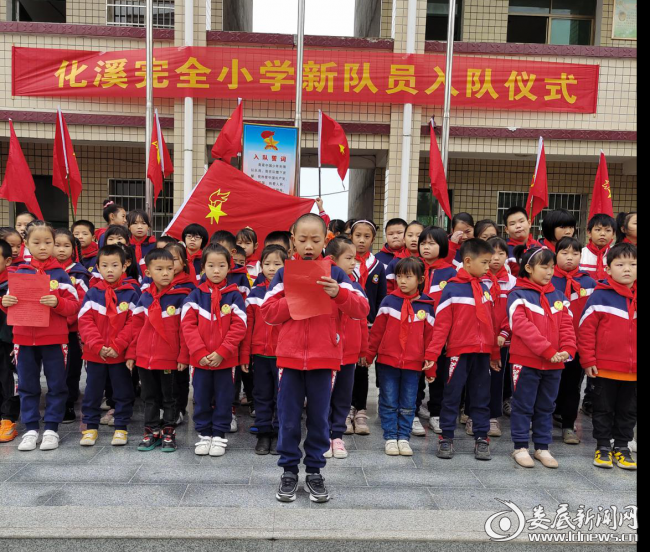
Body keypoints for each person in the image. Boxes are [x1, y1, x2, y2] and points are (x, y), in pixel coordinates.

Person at [261, 213, 369, 504]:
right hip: (290, 359)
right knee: (288, 419)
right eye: (303, 239)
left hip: (324, 359)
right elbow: (268, 312)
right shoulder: (284, 274)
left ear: (326, 240)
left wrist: (338, 295)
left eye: (316, 239)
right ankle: (288, 471)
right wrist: (294, 297)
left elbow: (362, 308)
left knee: (320, 419)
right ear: (292, 239)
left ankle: (314, 472)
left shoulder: (336, 274)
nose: (309, 245)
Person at [1, 221, 80, 452]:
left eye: (49, 242)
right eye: (36, 242)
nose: (43, 247)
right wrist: (5, 303)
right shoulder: (17, 272)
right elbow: (8, 302)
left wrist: (57, 302)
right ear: (26, 244)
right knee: (27, 385)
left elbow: (74, 305)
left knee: (57, 384)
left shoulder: (61, 275)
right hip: (24, 339)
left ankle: (51, 429)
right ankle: (31, 428)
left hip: (54, 339)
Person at [425, 239, 500, 462]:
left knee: (480, 397)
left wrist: (494, 353)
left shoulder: (485, 289)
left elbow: (492, 324)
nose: (489, 266)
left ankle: (481, 437)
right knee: (452, 396)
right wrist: (431, 356)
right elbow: (440, 327)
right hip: (458, 353)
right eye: (485, 262)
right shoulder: (452, 289)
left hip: (482, 353)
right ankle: (446, 437)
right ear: (468, 261)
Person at [507, 246, 576, 469]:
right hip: (526, 361)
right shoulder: (518, 295)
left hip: (555, 363)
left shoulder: (559, 297)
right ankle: (520, 446)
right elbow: (521, 327)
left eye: (552, 267)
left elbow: (567, 326)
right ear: (528, 268)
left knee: (546, 405)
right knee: (523, 405)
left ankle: (542, 446)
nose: (549, 272)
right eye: (544, 267)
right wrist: (548, 350)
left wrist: (567, 349)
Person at [181, 244, 247, 457]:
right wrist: (200, 353)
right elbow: (187, 326)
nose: (216, 270)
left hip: (225, 361)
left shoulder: (235, 296)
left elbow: (239, 326)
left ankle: (219, 433)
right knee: (200, 395)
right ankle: (204, 434)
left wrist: (222, 352)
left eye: (221, 265)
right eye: (211, 265)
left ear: (229, 267)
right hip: (200, 361)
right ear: (203, 268)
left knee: (224, 397)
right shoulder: (194, 296)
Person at [367, 257, 435, 456]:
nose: (402, 281)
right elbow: (377, 332)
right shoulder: (389, 301)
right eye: (399, 276)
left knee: (408, 402)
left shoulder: (427, 306)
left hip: (413, 365)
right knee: (388, 400)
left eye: (408, 276)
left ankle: (403, 437)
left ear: (420, 279)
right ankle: (390, 437)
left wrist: (431, 367)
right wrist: (369, 354)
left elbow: (431, 339)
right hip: (388, 362)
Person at [579, 243, 637, 470]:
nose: (627, 269)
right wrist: (588, 361)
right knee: (603, 409)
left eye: (633, 264)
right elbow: (585, 331)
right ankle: (603, 446)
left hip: (633, 372)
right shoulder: (599, 296)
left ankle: (622, 447)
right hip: (604, 368)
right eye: (620, 264)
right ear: (608, 268)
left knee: (629, 411)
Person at [126, 249, 191, 452]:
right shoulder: (144, 298)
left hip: (169, 359)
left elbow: (185, 330)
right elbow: (135, 327)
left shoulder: (181, 297)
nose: (165, 273)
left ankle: (169, 432)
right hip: (145, 360)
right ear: (148, 273)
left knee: (169, 397)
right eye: (159, 269)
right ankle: (151, 431)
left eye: (170, 269)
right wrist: (131, 353)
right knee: (149, 397)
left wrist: (183, 355)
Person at [77, 245, 139, 446]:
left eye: (115, 265)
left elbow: (134, 323)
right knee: (93, 391)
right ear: (97, 267)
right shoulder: (93, 293)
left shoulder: (131, 293)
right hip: (96, 354)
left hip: (119, 355)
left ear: (124, 266)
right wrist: (97, 345)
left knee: (122, 390)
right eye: (105, 265)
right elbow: (85, 321)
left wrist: (118, 345)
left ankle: (121, 427)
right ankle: (91, 427)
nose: (110, 270)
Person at [466, 236, 517, 438]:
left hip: (502, 340)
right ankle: (471, 414)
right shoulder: (477, 279)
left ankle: (492, 416)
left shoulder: (512, 281)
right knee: (476, 378)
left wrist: (504, 333)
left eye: (501, 253)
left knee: (497, 377)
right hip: (478, 338)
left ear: (507, 256)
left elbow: (513, 311)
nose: (496, 258)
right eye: (491, 254)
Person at [241, 245, 287, 455]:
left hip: (283, 355)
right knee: (261, 395)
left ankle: (278, 432)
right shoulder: (255, 293)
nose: (271, 268)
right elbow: (248, 325)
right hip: (259, 354)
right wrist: (246, 353)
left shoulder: (290, 292)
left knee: (282, 395)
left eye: (277, 264)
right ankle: (263, 432)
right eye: (267, 264)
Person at [324, 237, 367, 459]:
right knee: (322, 397)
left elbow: (362, 318)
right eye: (348, 258)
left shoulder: (354, 286)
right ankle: (322, 435)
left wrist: (363, 350)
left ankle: (337, 436)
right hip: (325, 353)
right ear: (331, 260)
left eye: (355, 259)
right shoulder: (321, 284)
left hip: (348, 353)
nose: (353, 263)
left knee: (343, 396)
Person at [550, 237, 597, 444]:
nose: (570, 257)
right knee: (550, 384)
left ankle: (568, 425)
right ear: (555, 254)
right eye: (564, 253)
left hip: (576, 345)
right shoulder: (548, 278)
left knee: (572, 385)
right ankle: (545, 418)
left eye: (575, 254)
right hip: (551, 344)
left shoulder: (588, 282)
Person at [414, 226, 456, 436]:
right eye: (423, 243)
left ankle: (436, 413)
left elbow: (454, 305)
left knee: (438, 375)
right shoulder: (413, 267)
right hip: (415, 330)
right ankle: (412, 412)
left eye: (432, 243)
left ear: (443, 246)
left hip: (439, 334)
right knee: (415, 373)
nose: (426, 247)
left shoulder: (451, 272)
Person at [348, 219, 386, 436]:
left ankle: (360, 409)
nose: (361, 240)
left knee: (362, 368)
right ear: (351, 236)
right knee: (344, 368)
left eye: (367, 237)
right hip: (347, 324)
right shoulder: (343, 263)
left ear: (373, 239)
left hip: (369, 326)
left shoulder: (378, 266)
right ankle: (344, 408)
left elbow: (382, 300)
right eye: (357, 236)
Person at [53, 228, 89, 424]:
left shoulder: (79, 274)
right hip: (48, 332)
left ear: (74, 249)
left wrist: (63, 322)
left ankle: (68, 403)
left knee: (71, 369)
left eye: (66, 246)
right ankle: (54, 403)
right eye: (56, 245)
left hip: (71, 331)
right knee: (53, 369)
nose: (61, 250)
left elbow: (81, 305)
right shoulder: (41, 271)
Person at [164, 242, 197, 426]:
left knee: (179, 379)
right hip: (163, 343)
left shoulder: (190, 288)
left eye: (174, 260)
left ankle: (179, 409)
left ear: (184, 262)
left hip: (181, 341)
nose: (169, 265)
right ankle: (167, 408)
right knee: (164, 380)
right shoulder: (156, 285)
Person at [0, 239, 19, 443]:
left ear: (7, 261)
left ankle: (8, 420)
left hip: (9, 340)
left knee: (9, 380)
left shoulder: (16, 282)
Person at [386, 220, 424, 293]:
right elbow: (387, 289)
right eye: (410, 235)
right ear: (403, 239)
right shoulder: (395, 263)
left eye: (418, 236)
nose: (414, 239)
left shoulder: (427, 262)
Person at [504, 206, 541, 276]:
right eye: (512, 224)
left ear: (529, 223)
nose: (518, 226)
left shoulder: (539, 246)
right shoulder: (503, 249)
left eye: (521, 221)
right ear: (506, 230)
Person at [580, 213, 616, 281]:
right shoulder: (580, 254)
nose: (602, 234)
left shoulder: (616, 255)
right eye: (598, 230)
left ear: (613, 234)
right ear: (589, 233)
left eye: (608, 230)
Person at [127, 210, 157, 279]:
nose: (140, 227)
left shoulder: (155, 246)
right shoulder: (126, 246)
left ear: (148, 227)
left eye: (143, 223)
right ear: (129, 226)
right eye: (135, 223)